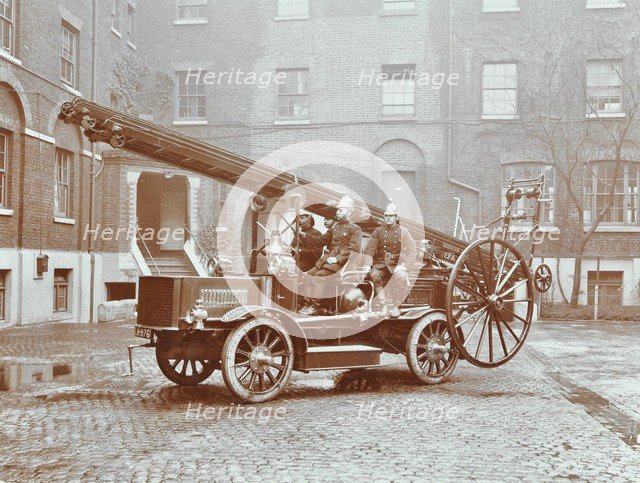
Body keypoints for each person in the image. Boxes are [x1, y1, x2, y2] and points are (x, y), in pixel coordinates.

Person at [298, 195, 363, 316]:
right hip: (329, 261)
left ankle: (313, 307)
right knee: (306, 276)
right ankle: (306, 305)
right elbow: (321, 240)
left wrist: (337, 258)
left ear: (349, 212)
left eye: (340, 210)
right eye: (337, 210)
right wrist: (304, 236)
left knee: (318, 276)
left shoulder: (355, 229)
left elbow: (354, 249)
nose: (337, 213)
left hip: (344, 264)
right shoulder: (335, 227)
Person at [363, 200, 417, 317]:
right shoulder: (378, 231)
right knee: (373, 275)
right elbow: (370, 249)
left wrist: (404, 267)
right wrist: (368, 264)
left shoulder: (403, 232)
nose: (388, 218)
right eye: (386, 216)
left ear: (396, 217)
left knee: (401, 277)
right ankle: (385, 305)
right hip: (380, 264)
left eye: (391, 216)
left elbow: (412, 251)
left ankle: (394, 306)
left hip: (397, 265)